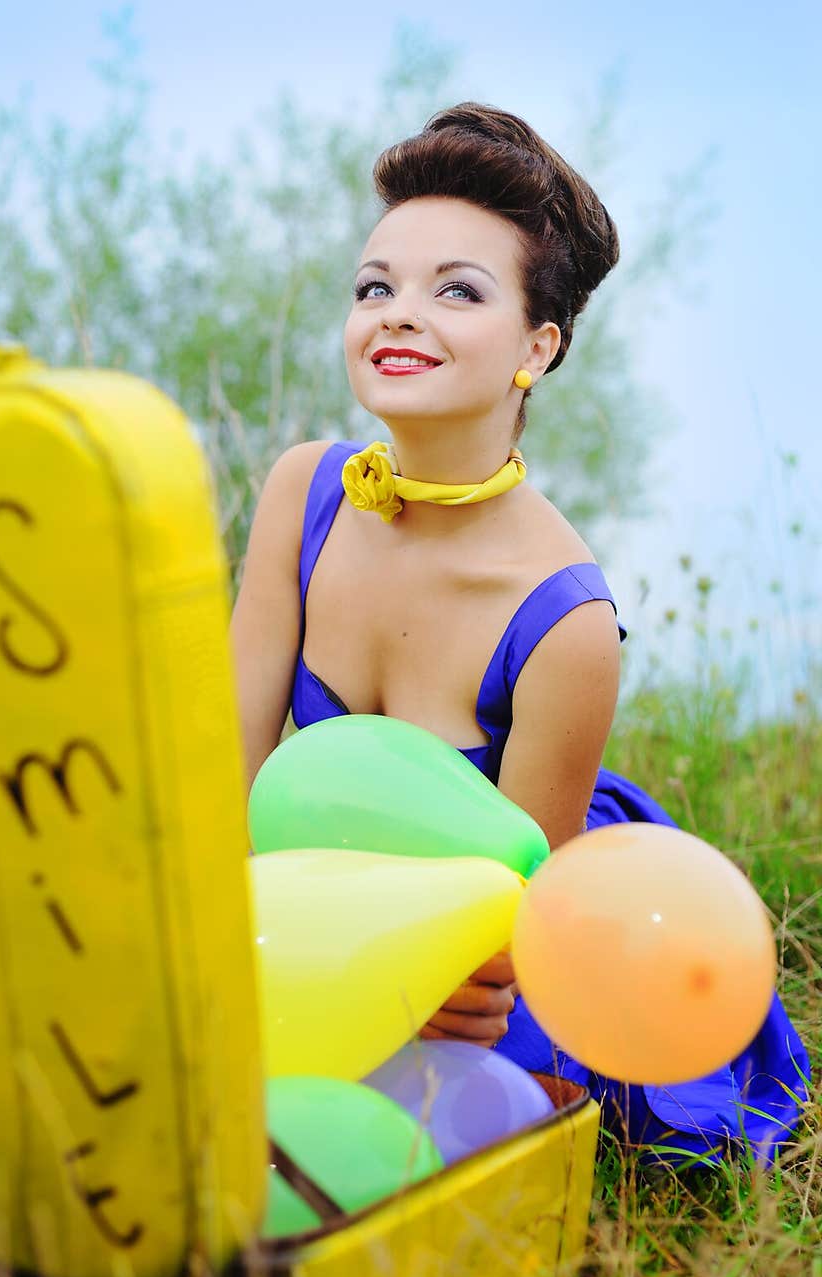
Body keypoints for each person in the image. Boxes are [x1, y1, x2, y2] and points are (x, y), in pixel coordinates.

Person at [230, 102, 809, 1168]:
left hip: (483, 952)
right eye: (376, 287)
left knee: (444, 1122)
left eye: (457, 289)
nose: (398, 315)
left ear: (537, 345)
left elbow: (500, 932)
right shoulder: (301, 492)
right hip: (284, 901)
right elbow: (231, 776)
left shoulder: (567, 622)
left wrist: (388, 996)